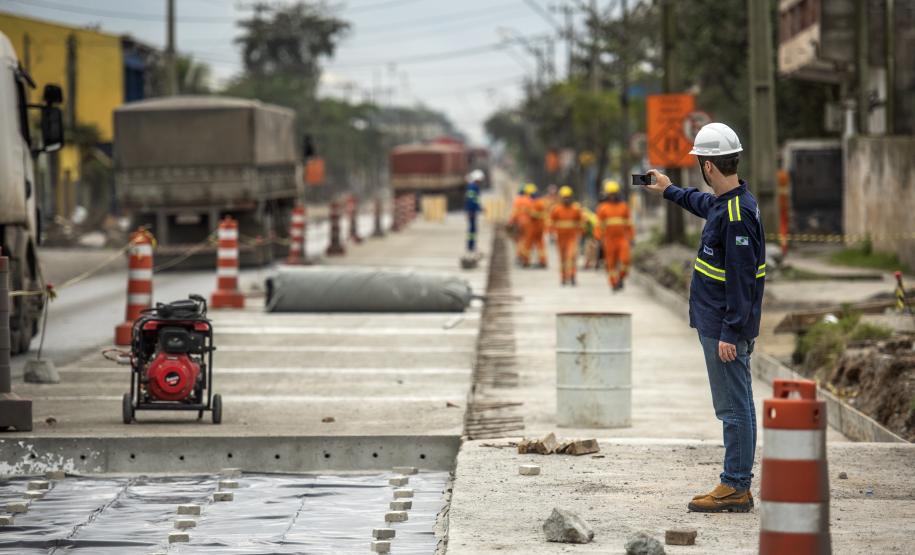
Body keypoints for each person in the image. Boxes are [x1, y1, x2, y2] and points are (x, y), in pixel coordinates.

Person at [643, 122, 766, 513]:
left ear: (708, 167)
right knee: (739, 404)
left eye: (700, 163)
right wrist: (667, 190)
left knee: (733, 408)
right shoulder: (728, 203)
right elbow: (700, 202)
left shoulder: (736, 215)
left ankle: (735, 485)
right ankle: (738, 482)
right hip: (719, 322)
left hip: (723, 327)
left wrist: (731, 331)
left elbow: (744, 280)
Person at [595, 180, 633, 291]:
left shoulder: (624, 206)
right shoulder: (602, 208)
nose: (612, 196)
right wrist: (598, 237)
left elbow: (629, 224)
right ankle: (613, 283)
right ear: (607, 194)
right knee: (610, 264)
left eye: (614, 194)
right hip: (608, 240)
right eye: (610, 194)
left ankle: (621, 277)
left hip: (622, 239)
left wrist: (631, 237)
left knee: (625, 260)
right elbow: (598, 225)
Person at [549, 186, 584, 286]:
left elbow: (581, 222)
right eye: (565, 197)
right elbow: (551, 222)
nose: (566, 199)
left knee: (571, 256)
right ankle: (563, 277)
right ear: (561, 198)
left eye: (568, 197)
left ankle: (572, 276)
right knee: (562, 258)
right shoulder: (556, 210)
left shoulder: (575, 209)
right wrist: (551, 234)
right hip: (560, 238)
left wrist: (581, 233)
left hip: (571, 237)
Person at [520, 184, 548, 268]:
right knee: (540, 244)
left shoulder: (537, 203)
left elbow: (540, 214)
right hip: (538, 227)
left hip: (534, 227)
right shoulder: (537, 202)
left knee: (528, 244)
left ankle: (526, 260)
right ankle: (542, 260)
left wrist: (530, 212)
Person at [509, 184, 534, 265]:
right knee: (526, 241)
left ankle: (519, 256)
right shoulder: (529, 200)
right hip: (528, 223)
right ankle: (526, 259)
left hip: (519, 223)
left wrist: (511, 222)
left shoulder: (517, 200)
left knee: (519, 240)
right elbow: (532, 213)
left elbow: (514, 213)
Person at [464, 170, 484, 253]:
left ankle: (471, 246)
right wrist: (471, 211)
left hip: (472, 210)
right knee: (472, 229)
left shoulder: (473, 186)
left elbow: (475, 200)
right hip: (471, 211)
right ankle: (470, 246)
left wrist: (479, 208)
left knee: (473, 229)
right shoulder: (473, 187)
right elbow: (471, 200)